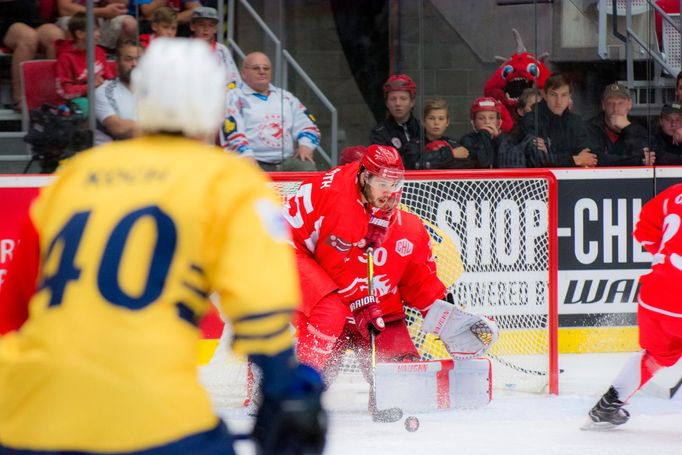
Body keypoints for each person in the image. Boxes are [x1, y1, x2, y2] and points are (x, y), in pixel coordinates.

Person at [0, 38, 326, 455]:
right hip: (152, 421)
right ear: (214, 105)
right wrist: (290, 393)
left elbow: (15, 314)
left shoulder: (74, 176)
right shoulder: (230, 181)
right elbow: (263, 317)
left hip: (28, 419)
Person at [284, 144, 497, 422]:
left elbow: (420, 283)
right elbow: (330, 271)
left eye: (395, 184)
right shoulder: (341, 210)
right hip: (305, 271)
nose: (390, 193)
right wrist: (361, 305)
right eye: (383, 184)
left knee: (402, 383)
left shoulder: (409, 229)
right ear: (363, 178)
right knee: (328, 324)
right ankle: (290, 392)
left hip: (375, 313)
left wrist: (447, 318)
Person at [584, 183, 682, 429]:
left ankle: (607, 406)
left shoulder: (675, 193)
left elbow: (644, 232)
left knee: (655, 355)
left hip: (655, 293)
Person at [221, 51, 321, 172]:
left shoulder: (286, 97)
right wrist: (245, 154)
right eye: (256, 68)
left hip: (286, 162)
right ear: (243, 73)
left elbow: (307, 124)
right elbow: (232, 131)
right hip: (251, 161)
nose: (262, 71)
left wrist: (306, 145)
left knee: (307, 167)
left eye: (266, 68)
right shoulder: (234, 97)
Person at [518, 73, 597, 168]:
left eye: (564, 95)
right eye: (553, 95)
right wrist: (575, 159)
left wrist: (551, 154)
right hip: (543, 180)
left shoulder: (576, 122)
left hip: (574, 179)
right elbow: (537, 160)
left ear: (570, 97)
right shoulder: (531, 120)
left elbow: (588, 157)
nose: (559, 101)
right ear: (545, 95)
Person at [1, 0, 64, 109]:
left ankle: (49, 94)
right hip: (5, 20)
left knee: (55, 36)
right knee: (28, 38)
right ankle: (19, 96)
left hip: (32, 18)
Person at [55, 12, 115, 112]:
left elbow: (110, 78)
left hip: (99, 95)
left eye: (98, 29)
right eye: (94, 30)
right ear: (80, 34)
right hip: (76, 103)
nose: (98, 34)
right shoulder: (65, 57)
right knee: (89, 105)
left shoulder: (99, 51)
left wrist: (104, 83)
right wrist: (89, 86)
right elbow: (64, 91)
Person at [587, 83, 654, 167]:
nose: (615, 109)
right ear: (603, 105)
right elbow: (596, 160)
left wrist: (628, 128)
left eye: (620, 103)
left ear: (629, 104)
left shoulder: (640, 126)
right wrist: (637, 160)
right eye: (610, 103)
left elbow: (648, 155)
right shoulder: (591, 127)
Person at [94, 40, 142, 145]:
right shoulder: (104, 91)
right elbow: (118, 128)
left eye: (138, 59)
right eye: (128, 59)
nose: (134, 64)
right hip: (112, 156)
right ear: (117, 64)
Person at [370, 74, 422, 169]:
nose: (398, 103)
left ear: (412, 102)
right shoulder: (379, 133)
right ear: (386, 103)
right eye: (393, 99)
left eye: (403, 98)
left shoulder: (422, 128)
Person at [459, 97, 525, 168]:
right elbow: (483, 162)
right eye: (481, 118)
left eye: (491, 118)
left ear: (498, 122)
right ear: (474, 122)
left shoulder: (508, 140)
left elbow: (514, 162)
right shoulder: (467, 139)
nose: (487, 122)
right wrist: (484, 136)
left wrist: (498, 138)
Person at [190, 6, 241, 89]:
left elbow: (234, 82)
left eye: (211, 25)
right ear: (192, 26)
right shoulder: (183, 48)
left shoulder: (223, 50)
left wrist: (226, 90)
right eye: (201, 25)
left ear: (215, 29)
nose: (206, 29)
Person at [56, 0, 137, 50]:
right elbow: (64, 9)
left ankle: (123, 62)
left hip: (103, 23)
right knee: (72, 23)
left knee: (130, 23)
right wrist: (101, 11)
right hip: (76, 19)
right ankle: (75, 62)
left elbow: (122, 5)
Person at [419, 97, 475, 169]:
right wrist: (451, 154)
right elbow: (417, 163)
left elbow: (468, 164)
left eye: (441, 119)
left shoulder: (454, 144)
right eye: (431, 118)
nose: (436, 123)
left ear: (447, 122)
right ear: (423, 121)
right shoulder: (415, 145)